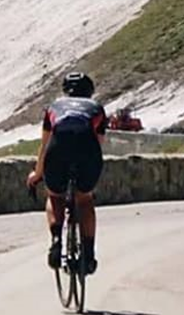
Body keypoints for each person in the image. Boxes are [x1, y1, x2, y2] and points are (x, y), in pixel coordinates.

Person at [26, 71, 107, 275]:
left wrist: (36, 175)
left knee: (54, 195)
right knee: (85, 200)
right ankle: (88, 254)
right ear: (89, 91)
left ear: (65, 91)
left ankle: (56, 241)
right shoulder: (96, 108)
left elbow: (45, 146)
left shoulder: (54, 107)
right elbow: (98, 144)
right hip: (87, 149)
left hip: (58, 148)